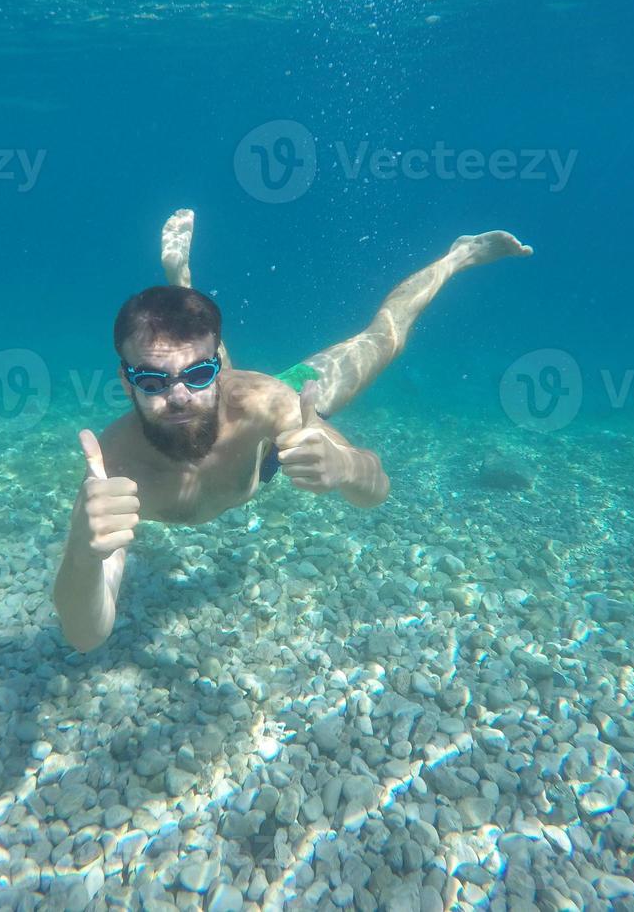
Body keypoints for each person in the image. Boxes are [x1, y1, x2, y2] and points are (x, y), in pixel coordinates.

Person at [54, 209, 532, 651]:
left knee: (382, 342)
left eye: (199, 373)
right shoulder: (115, 471)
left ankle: (456, 255)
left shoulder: (271, 400)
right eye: (153, 380)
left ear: (217, 369)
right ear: (125, 380)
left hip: (261, 444)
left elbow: (376, 488)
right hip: (233, 414)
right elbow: (86, 636)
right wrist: (81, 547)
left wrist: (344, 466)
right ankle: (182, 285)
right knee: (206, 402)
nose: (176, 396)